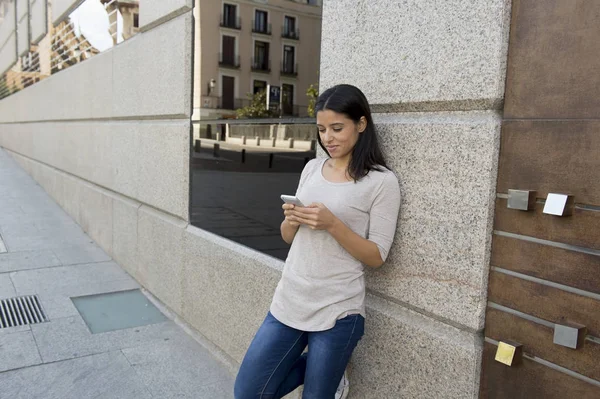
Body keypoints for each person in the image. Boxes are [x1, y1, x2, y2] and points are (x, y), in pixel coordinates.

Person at [234, 84, 401, 399]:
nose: (328, 138)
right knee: (248, 392)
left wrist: (333, 224)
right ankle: (327, 368)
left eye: (337, 128)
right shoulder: (312, 168)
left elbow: (377, 256)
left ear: (361, 124)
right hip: (291, 298)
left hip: (338, 309)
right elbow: (288, 238)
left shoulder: (381, 182)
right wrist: (291, 218)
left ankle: (330, 371)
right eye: (322, 129)